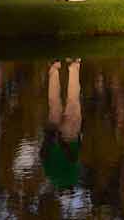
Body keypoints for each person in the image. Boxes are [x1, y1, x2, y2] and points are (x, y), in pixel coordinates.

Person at [43, 59, 83, 192]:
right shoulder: (51, 177)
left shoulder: (72, 178)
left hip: (69, 136)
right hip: (54, 134)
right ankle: (54, 68)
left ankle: (74, 64)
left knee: (73, 100)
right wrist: (49, 137)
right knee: (54, 102)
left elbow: (73, 157)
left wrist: (61, 142)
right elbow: (42, 154)